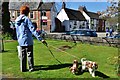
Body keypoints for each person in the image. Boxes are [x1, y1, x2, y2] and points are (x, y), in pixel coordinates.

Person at [15, 5, 47, 72]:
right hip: (28, 40)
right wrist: (41, 39)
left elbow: (17, 31)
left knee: (22, 55)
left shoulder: (16, 20)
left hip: (20, 40)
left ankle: (23, 69)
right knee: (29, 54)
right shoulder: (27, 19)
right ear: (27, 12)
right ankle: (31, 68)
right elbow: (33, 30)